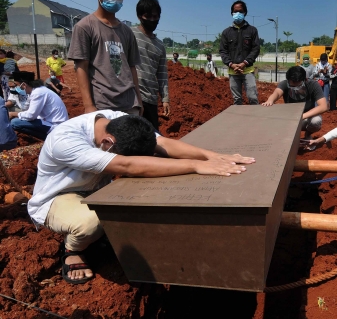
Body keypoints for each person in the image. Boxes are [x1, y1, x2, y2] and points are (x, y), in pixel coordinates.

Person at [28, 111, 255, 284]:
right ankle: (72, 250)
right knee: (91, 223)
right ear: (108, 143)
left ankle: (106, 232)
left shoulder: (118, 120)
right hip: (58, 197)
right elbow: (126, 164)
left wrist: (212, 156)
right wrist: (196, 166)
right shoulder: (66, 141)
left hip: (95, 189)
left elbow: (162, 143)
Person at [68, 0, 143, 116]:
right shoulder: (84, 27)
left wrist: (139, 100)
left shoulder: (126, 32)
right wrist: (89, 106)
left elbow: (132, 68)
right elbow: (81, 67)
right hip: (103, 105)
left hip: (129, 103)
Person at [131, 0, 170, 131]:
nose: (153, 20)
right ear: (140, 16)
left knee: (151, 137)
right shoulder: (130, 34)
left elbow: (162, 74)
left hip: (150, 98)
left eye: (156, 16)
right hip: (131, 97)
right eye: (148, 16)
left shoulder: (160, 45)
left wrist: (165, 99)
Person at [262, 65, 327, 144]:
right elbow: (277, 93)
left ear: (304, 80)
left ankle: (308, 134)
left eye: (298, 86)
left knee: (316, 121)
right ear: (288, 80)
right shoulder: (285, 84)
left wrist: (302, 116)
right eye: (292, 86)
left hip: (306, 118)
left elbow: (323, 106)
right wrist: (270, 100)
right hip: (289, 118)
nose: (295, 88)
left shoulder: (313, 85)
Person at [219, 0, 260, 105]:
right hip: (233, 71)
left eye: (240, 11)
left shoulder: (252, 30)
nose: (237, 14)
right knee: (237, 100)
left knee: (253, 97)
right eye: (235, 11)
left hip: (248, 70)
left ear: (245, 13)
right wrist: (231, 64)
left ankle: (255, 120)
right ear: (232, 13)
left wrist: (244, 63)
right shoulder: (226, 32)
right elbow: (223, 51)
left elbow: (256, 49)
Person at [9, 72, 69, 140]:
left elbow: (31, 115)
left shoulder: (38, 93)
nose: (16, 87)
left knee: (15, 123)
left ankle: (49, 138)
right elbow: (26, 108)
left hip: (55, 125)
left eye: (16, 85)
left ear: (24, 85)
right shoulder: (37, 90)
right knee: (20, 119)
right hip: (50, 121)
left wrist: (13, 114)